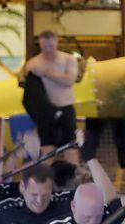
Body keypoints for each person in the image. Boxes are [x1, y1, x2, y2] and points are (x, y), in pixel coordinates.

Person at [21, 30, 79, 164]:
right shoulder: (34, 63)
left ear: (56, 44)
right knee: (47, 148)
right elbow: (28, 89)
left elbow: (69, 80)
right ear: (40, 45)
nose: (48, 50)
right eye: (44, 47)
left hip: (65, 108)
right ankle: (47, 179)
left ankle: (72, 179)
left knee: (70, 147)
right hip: (45, 113)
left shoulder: (68, 60)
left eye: (50, 47)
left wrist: (46, 72)